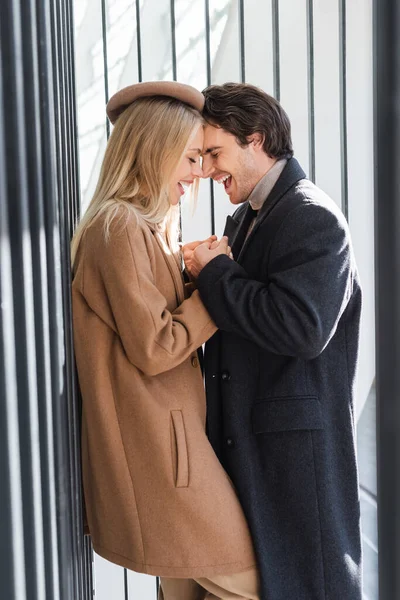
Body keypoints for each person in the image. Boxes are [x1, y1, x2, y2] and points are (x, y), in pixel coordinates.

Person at [71, 81, 259, 600]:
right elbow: (155, 347)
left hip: (172, 446)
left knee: (190, 590)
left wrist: (191, 270)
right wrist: (218, 289)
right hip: (161, 454)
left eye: (203, 157)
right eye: (192, 157)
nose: (199, 173)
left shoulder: (139, 228)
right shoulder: (118, 228)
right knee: (249, 581)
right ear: (155, 147)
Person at [183, 82, 362, 600]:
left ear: (256, 140)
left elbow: (301, 327)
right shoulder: (245, 220)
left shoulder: (314, 217)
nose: (207, 170)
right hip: (246, 444)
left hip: (291, 463)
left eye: (215, 153)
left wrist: (216, 272)